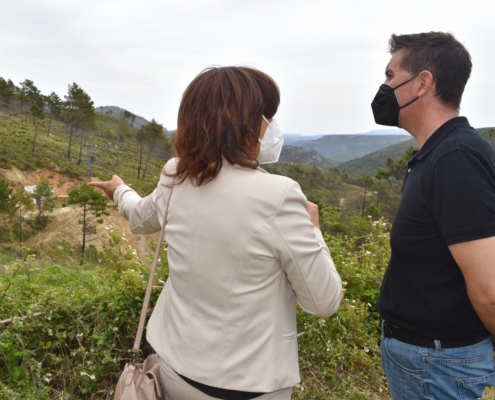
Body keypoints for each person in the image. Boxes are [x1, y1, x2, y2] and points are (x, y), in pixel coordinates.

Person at [90, 66, 343, 400]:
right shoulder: (279, 194)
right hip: (248, 385)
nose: (270, 125)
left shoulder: (177, 174)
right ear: (244, 123)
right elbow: (323, 301)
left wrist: (120, 192)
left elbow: (141, 216)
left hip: (173, 370)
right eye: (266, 115)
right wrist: (315, 229)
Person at [371, 32, 495, 399]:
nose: (384, 87)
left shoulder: (456, 158)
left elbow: (489, 289)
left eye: (391, 76)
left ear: (422, 82)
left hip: (438, 363)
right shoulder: (439, 152)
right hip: (430, 359)